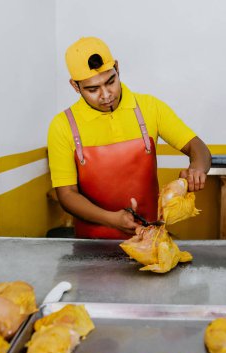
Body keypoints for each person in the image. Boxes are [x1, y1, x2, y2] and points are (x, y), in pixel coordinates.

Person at [48, 36, 211, 239]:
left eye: (111, 81)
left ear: (117, 68)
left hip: (149, 237)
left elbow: (197, 147)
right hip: (91, 244)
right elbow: (67, 195)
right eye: (93, 89)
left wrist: (197, 168)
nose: (106, 94)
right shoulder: (62, 125)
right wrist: (112, 219)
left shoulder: (150, 107)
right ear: (75, 86)